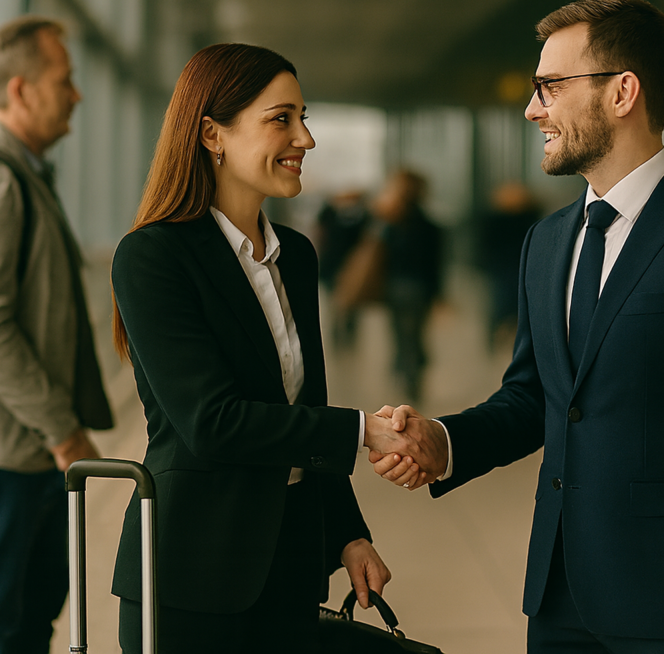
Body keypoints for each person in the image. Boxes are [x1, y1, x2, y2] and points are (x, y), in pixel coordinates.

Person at [371, 0, 664, 654]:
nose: (531, 108)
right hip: (558, 595)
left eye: (549, 86)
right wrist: (445, 440)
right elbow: (535, 396)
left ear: (623, 91)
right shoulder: (546, 241)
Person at [109, 43, 408, 653]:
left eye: (304, 117)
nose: (305, 138)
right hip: (192, 578)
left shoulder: (295, 257)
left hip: (290, 567)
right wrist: (363, 431)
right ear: (212, 134)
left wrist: (347, 535)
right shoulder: (153, 258)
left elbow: (305, 409)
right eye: (281, 119)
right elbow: (211, 423)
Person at [0, 16, 111, 653]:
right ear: (21, 90)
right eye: (65, 80)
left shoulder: (27, 175)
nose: (77, 95)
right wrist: (61, 427)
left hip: (26, 442)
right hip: (5, 446)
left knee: (29, 618)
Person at [375, 169, 442, 400]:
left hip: (397, 286)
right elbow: (435, 265)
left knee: (400, 333)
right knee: (413, 333)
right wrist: (437, 294)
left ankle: (405, 370)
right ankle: (411, 372)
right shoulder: (429, 225)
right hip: (418, 289)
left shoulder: (391, 224)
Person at [478, 182, 541, 348]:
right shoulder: (495, 220)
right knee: (500, 304)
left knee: (520, 305)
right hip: (503, 270)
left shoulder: (531, 218)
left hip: (524, 268)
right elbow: (485, 247)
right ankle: (496, 336)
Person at [315, 189, 370, 348]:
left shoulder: (362, 216)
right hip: (331, 268)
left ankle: (349, 335)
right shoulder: (328, 213)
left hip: (354, 268)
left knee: (352, 306)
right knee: (334, 306)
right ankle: (337, 337)